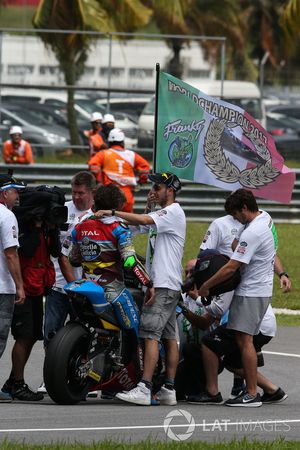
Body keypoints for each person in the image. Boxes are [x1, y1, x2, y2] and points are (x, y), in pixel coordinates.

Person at [95, 171, 186, 406]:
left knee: (149, 335)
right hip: (168, 284)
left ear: (170, 190)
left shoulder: (174, 212)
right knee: (168, 337)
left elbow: (144, 222)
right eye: (152, 187)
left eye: (157, 188)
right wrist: (147, 207)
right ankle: (169, 388)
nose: (153, 191)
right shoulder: (161, 214)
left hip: (164, 284)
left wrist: (112, 212)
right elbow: (138, 228)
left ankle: (144, 387)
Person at [197, 189, 282, 407]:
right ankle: (259, 390)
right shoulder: (265, 217)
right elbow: (237, 246)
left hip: (251, 291)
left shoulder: (254, 231)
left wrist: (206, 286)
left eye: (236, 214)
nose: (235, 219)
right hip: (260, 289)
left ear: (244, 208)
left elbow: (233, 266)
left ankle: (252, 394)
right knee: (243, 342)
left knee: (245, 342)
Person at [37, 171, 95, 395]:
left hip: (87, 288)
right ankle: (50, 377)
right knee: (52, 332)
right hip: (58, 285)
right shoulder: (62, 210)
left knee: (84, 334)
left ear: (91, 192)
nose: (77, 197)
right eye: (74, 192)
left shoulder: (97, 213)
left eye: (81, 193)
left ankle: (84, 377)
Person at [2, 196, 61, 401]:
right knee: (23, 336)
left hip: (38, 287)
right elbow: (24, 250)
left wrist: (52, 228)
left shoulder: (46, 227)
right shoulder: (21, 225)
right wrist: (35, 228)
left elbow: (55, 251)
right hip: (24, 289)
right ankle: (17, 384)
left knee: (32, 336)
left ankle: (12, 382)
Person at [69, 183, 153, 304]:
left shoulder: (80, 226)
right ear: (117, 206)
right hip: (112, 290)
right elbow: (130, 261)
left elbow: (73, 260)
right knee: (134, 322)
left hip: (86, 288)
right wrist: (148, 284)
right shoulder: (119, 228)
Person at [0, 174, 26, 402]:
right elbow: (11, 253)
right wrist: (20, 285)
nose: (17, 195)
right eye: (14, 191)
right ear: (4, 193)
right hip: (1, 288)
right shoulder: (7, 216)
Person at [88, 128, 150, 213]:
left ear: (109, 142)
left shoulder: (104, 154)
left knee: (106, 221)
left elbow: (93, 165)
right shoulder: (132, 155)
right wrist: (141, 181)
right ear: (122, 142)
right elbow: (146, 168)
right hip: (126, 195)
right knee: (126, 222)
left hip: (108, 195)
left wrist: (100, 180)